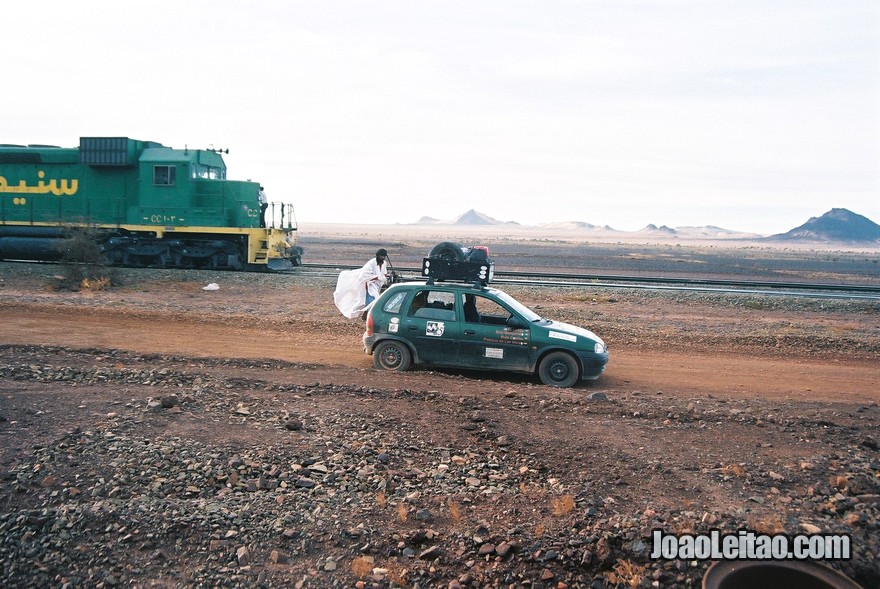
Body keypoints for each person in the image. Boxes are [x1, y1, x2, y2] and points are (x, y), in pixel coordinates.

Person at [333, 248, 390, 320]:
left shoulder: (384, 263)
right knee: (374, 298)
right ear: (377, 256)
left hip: (376, 285)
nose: (382, 258)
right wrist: (377, 277)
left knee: (373, 299)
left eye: (383, 257)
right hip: (368, 284)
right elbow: (364, 276)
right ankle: (369, 314)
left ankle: (368, 314)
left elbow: (383, 273)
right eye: (381, 256)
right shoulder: (370, 264)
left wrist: (383, 277)